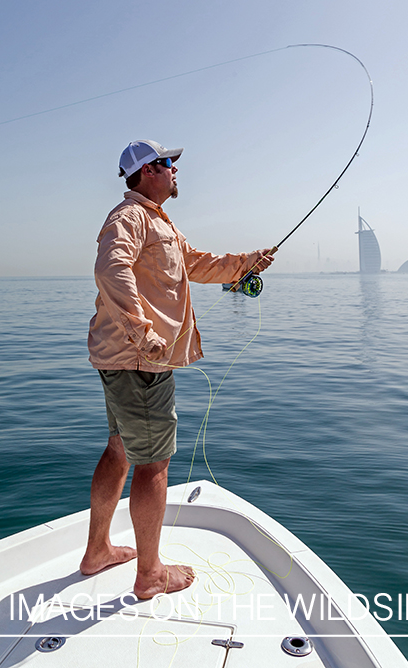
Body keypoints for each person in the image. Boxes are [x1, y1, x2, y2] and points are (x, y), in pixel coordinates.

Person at [79, 139, 274, 599]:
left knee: (119, 449)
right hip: (140, 360)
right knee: (153, 463)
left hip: (125, 358)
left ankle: (97, 551)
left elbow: (195, 264)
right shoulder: (129, 217)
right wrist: (142, 330)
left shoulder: (158, 221)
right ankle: (150, 575)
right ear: (148, 171)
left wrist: (245, 264)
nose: (175, 170)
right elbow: (110, 269)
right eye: (169, 163)